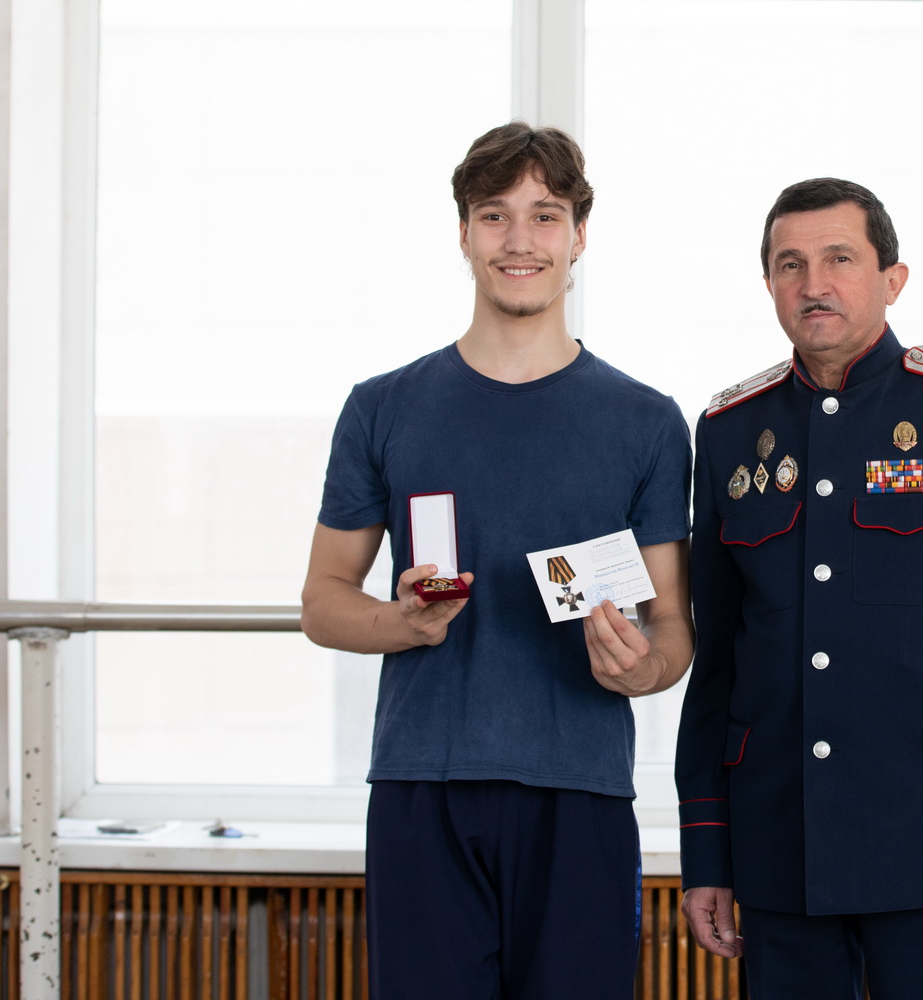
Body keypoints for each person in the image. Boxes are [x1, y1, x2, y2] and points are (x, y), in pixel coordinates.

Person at [301, 122, 694, 999]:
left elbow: (671, 624)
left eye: (545, 215)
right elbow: (322, 602)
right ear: (464, 233)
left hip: (581, 790)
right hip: (423, 787)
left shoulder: (646, 422)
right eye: (494, 215)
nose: (520, 240)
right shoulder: (382, 409)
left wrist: (642, 670)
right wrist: (401, 622)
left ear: (579, 236)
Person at [675, 178, 923, 999]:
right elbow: (719, 663)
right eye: (790, 264)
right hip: (780, 844)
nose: (813, 284)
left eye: (839, 259)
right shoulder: (730, 432)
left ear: (893, 279)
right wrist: (708, 845)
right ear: (769, 283)